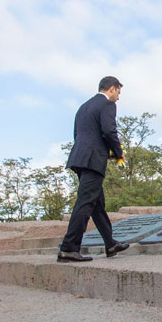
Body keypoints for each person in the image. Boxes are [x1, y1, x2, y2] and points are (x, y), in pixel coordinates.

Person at [57, 76, 130, 262]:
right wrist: (118, 152)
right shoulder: (107, 105)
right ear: (112, 89)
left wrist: (105, 153)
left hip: (80, 158)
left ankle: (110, 243)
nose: (118, 98)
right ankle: (69, 248)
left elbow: (81, 135)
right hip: (92, 161)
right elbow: (108, 131)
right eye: (118, 93)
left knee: (97, 204)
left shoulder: (84, 107)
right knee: (85, 203)